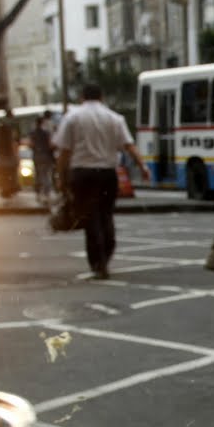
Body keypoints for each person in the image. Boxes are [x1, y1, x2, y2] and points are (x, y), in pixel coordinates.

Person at [53, 83, 147, 280]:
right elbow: (129, 145)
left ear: (82, 97)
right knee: (106, 215)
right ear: (102, 97)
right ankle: (107, 253)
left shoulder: (72, 117)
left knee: (90, 218)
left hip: (82, 173)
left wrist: (61, 177)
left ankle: (98, 262)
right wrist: (143, 167)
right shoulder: (114, 118)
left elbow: (64, 152)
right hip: (107, 173)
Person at [30, 111, 58, 205]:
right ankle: (46, 194)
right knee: (47, 175)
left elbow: (31, 144)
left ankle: (38, 194)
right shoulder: (46, 133)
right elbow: (51, 145)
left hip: (36, 156)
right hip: (46, 156)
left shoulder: (33, 133)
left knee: (38, 175)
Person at [0, 114, 19, 199]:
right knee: (10, 176)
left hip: (2, 160)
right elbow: (14, 146)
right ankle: (9, 189)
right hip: (9, 160)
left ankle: (5, 190)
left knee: (3, 176)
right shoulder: (9, 135)